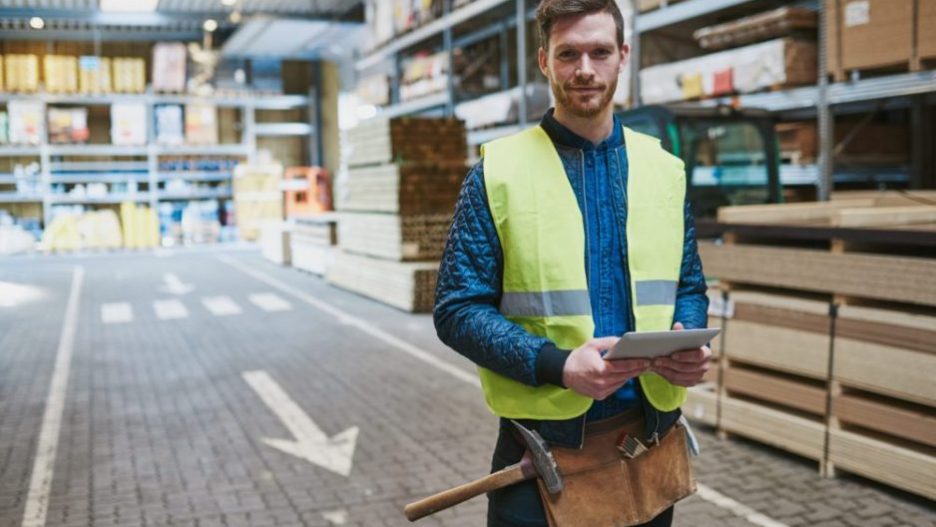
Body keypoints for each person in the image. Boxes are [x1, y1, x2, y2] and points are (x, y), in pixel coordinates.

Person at [434, 0, 711, 525]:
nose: (585, 70)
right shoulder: (498, 174)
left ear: (623, 55)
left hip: (647, 443)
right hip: (541, 457)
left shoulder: (665, 170)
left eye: (600, 52)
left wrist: (688, 338)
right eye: (568, 54)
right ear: (544, 61)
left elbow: (689, 284)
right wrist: (557, 365)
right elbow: (456, 310)